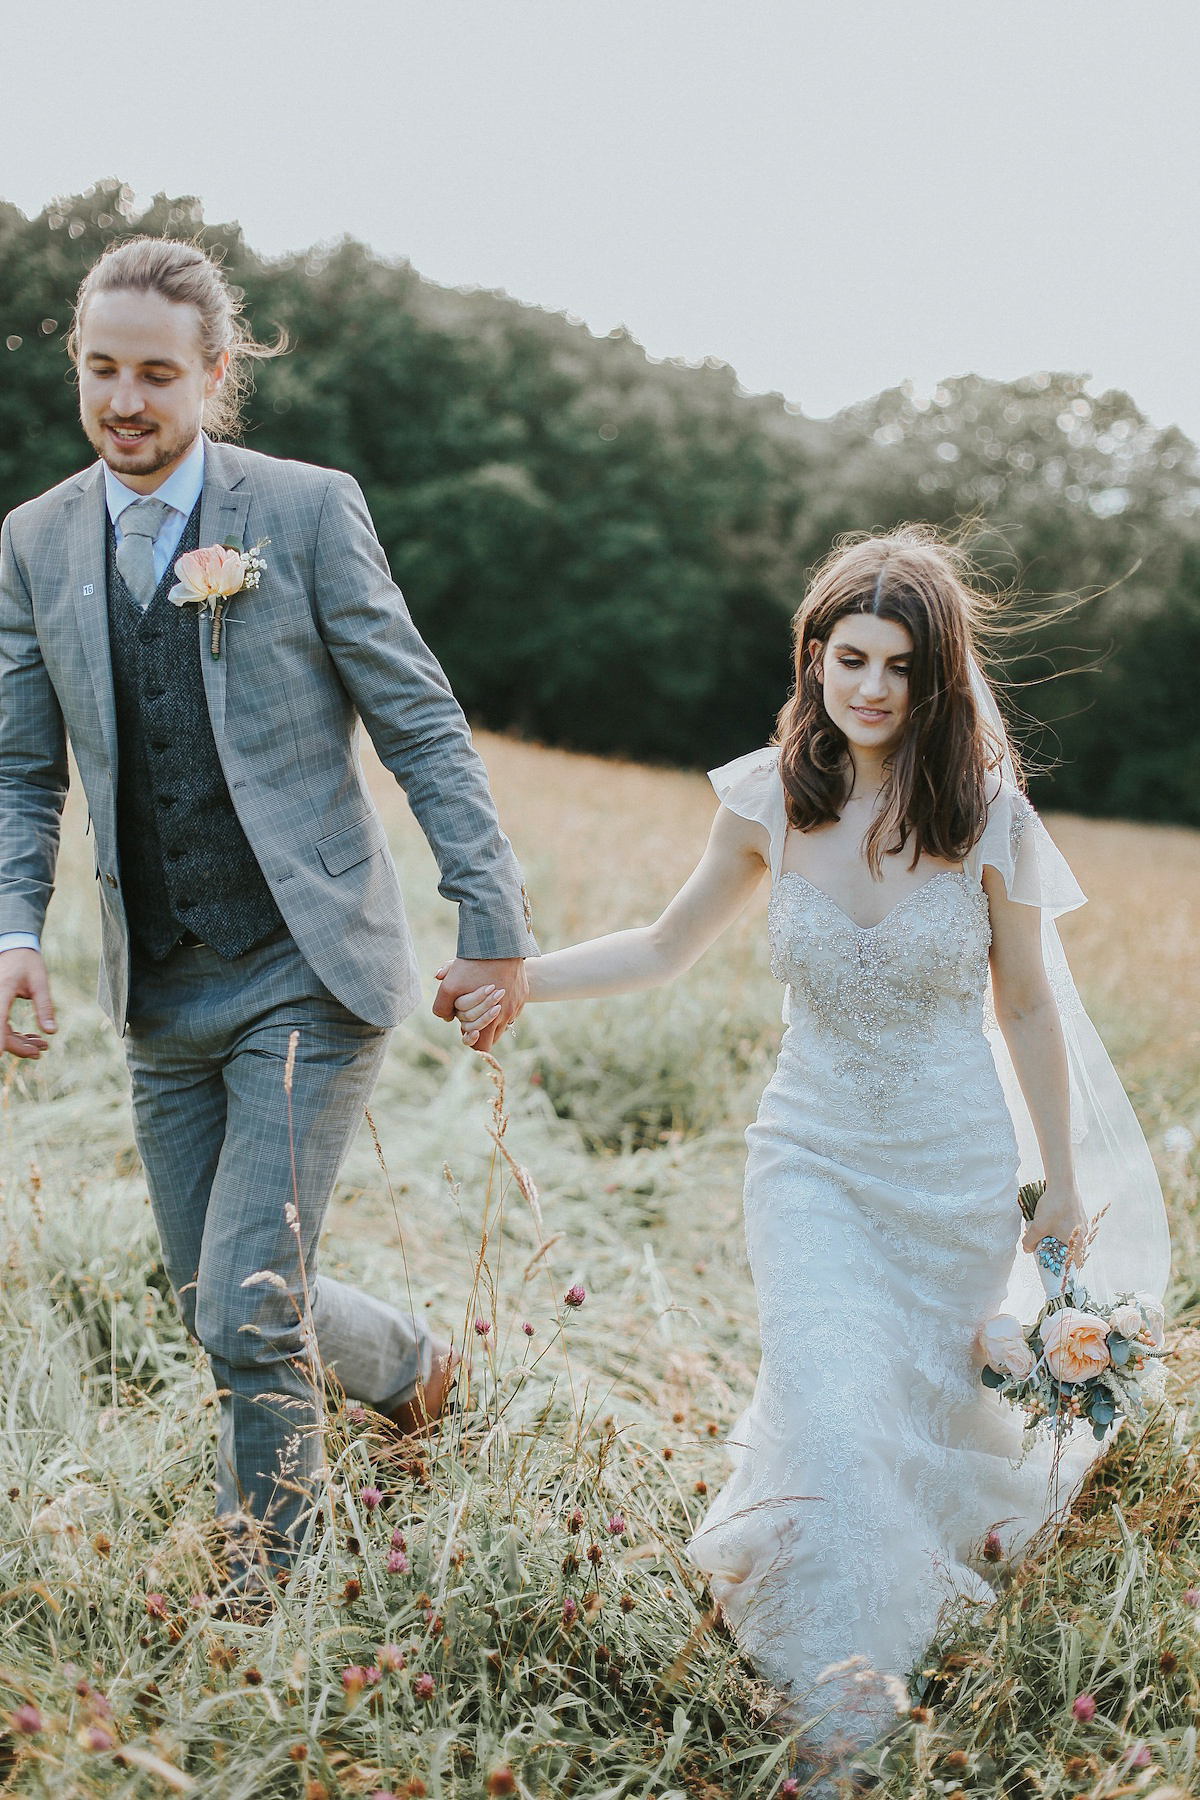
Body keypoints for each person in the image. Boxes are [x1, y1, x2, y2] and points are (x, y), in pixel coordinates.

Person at [450, 529, 1170, 1750]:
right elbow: (664, 946)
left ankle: (884, 1593)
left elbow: (1031, 1003)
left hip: (951, 1172)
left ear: (938, 678)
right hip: (812, 1162)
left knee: (902, 1419)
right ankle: (840, 1699)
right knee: (833, 1405)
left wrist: (1059, 1185)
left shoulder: (987, 815)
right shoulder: (766, 796)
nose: (873, 688)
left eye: (899, 666)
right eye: (850, 659)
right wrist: (523, 979)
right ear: (815, 659)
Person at [0, 236, 537, 1577]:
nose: (127, 401)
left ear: (215, 375)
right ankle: (411, 1366)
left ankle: (276, 1586)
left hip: (309, 964)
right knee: (211, 1297)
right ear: (79, 366)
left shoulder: (299, 513)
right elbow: (21, 773)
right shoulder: (34, 542)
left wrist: (491, 914)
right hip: (160, 989)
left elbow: (420, 723)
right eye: (104, 370)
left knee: (246, 1307)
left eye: (158, 375)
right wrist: (14, 933)